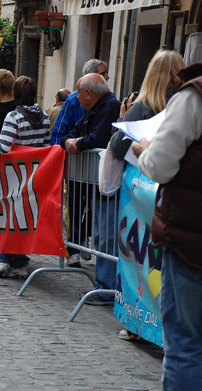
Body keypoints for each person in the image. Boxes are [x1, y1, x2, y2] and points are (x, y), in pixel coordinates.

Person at [131, 60, 202, 391]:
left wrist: (144, 151)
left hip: (192, 242)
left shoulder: (193, 97)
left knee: (185, 342)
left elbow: (159, 165)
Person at [108, 50, 185, 342]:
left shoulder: (141, 108)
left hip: (140, 193)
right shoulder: (187, 105)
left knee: (137, 259)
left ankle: (137, 322)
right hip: (174, 195)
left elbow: (116, 146)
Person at [0, 76, 50, 277]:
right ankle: (19, 261)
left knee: (10, 215)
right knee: (23, 217)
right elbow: (45, 147)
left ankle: (5, 260)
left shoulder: (14, 116)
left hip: (13, 174)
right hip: (34, 174)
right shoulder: (44, 117)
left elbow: (3, 147)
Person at [60, 73, 121, 302]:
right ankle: (102, 284)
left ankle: (105, 288)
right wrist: (68, 141)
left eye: (78, 92)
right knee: (99, 234)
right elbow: (73, 132)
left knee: (105, 237)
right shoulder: (92, 108)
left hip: (104, 183)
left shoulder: (109, 106)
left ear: (88, 93)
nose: (75, 98)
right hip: (93, 181)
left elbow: (99, 138)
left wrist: (78, 144)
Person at [51, 59, 110, 144]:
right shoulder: (72, 100)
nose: (107, 77)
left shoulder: (110, 101)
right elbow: (60, 131)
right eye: (103, 73)